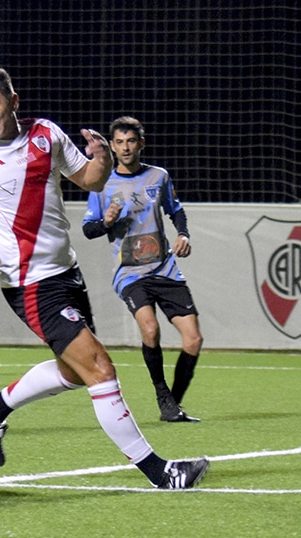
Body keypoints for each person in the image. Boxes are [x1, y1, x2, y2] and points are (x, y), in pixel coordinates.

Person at [0, 67, 208, 489]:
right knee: (100, 369)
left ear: (13, 101)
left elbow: (89, 178)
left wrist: (103, 157)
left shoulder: (45, 134)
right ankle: (161, 472)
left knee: (73, 372)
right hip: (29, 284)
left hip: (66, 274)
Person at [83, 116, 203, 423]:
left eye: (131, 141)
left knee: (193, 340)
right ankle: (163, 396)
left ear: (141, 144)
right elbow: (89, 229)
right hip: (130, 273)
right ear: (112, 146)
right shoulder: (101, 183)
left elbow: (176, 211)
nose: (125, 148)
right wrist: (106, 222)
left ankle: (172, 404)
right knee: (150, 328)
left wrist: (184, 234)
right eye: (119, 142)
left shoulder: (158, 177)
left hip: (165, 269)